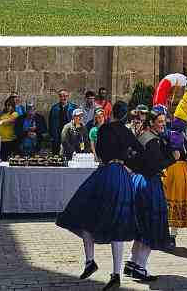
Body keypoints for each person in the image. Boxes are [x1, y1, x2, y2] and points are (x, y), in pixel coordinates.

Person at [57, 101, 139, 290]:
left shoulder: (104, 130)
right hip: (120, 174)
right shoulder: (127, 132)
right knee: (117, 223)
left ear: (112, 113)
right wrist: (128, 163)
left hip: (105, 172)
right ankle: (116, 273)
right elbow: (138, 151)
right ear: (126, 115)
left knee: (84, 215)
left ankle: (90, 261)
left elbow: (100, 153)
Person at [125, 111, 172, 282]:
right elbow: (155, 165)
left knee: (141, 227)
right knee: (149, 226)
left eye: (164, 122)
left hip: (138, 181)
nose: (162, 125)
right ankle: (140, 267)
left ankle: (131, 263)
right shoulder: (151, 141)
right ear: (151, 122)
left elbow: (132, 160)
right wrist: (172, 159)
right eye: (159, 122)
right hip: (148, 184)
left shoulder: (143, 136)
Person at [160, 107, 187, 248]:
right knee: (167, 202)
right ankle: (165, 234)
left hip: (183, 170)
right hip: (171, 169)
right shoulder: (168, 136)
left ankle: (173, 235)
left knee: (178, 202)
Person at [49, 90, 77, 155]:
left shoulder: (73, 108)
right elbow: (50, 123)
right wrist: (52, 135)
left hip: (69, 133)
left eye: (65, 96)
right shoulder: (54, 108)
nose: (63, 98)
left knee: (70, 153)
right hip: (57, 134)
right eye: (61, 96)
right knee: (56, 154)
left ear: (68, 96)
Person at [0, 96, 21, 160]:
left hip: (9, 139)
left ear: (13, 106)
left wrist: (2, 121)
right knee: (1, 158)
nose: (8, 107)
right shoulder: (3, 114)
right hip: (1, 139)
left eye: (9, 105)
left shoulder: (15, 113)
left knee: (8, 158)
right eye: (6, 105)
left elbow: (11, 120)